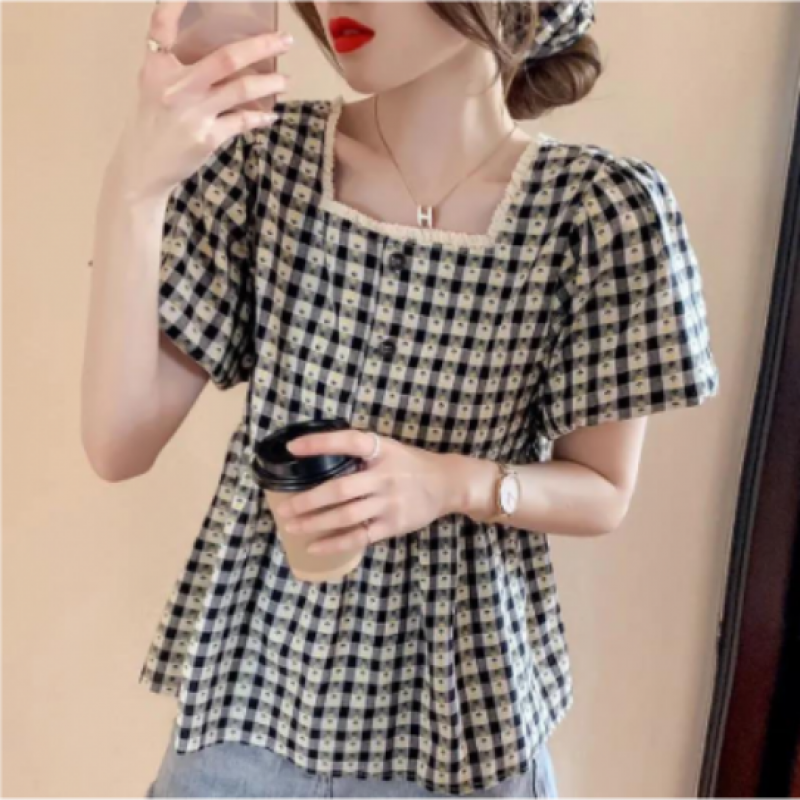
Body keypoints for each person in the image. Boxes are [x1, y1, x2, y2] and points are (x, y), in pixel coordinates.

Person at [81, 0, 721, 797]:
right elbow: (119, 444)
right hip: (250, 700)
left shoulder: (598, 212)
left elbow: (602, 492)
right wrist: (136, 188)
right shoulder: (262, 164)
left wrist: (449, 482)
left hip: (464, 718)